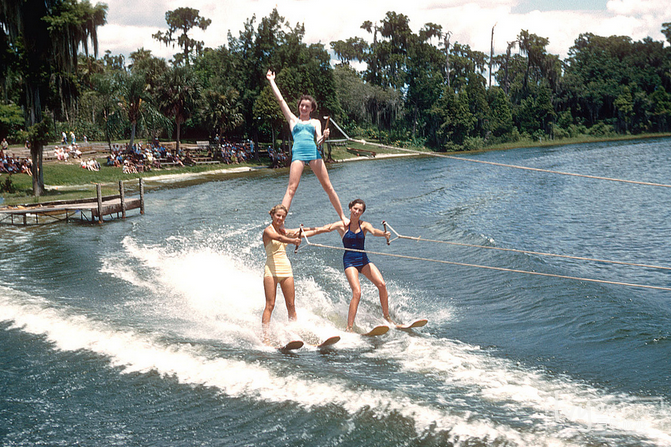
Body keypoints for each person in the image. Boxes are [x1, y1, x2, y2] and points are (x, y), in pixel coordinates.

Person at [266, 69, 348, 227]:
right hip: (298, 155)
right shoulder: (292, 120)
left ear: (311, 109)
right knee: (291, 189)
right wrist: (271, 81)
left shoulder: (316, 122)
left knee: (328, 186)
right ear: (299, 107)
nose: (303, 108)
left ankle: (343, 216)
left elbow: (319, 140)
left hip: (313, 153)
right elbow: (281, 100)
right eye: (302, 105)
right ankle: (279, 223)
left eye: (307, 106)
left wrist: (324, 136)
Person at [311, 199, 392, 331]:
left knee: (382, 285)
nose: (357, 212)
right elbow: (324, 229)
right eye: (355, 208)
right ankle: (349, 327)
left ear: (362, 213)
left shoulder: (364, 225)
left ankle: (387, 317)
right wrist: (303, 233)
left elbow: (373, 231)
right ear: (350, 208)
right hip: (350, 261)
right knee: (357, 292)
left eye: (360, 210)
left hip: (363, 260)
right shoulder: (342, 225)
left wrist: (384, 234)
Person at [262, 204, 321, 343]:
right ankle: (265, 338)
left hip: (286, 269)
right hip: (271, 270)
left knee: (291, 304)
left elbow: (300, 232)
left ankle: (293, 334)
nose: (280, 218)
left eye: (283, 216)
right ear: (272, 215)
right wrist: (293, 240)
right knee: (270, 304)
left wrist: (321, 230)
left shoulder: (284, 231)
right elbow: (280, 238)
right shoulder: (268, 231)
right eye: (278, 215)